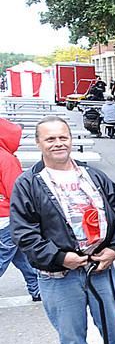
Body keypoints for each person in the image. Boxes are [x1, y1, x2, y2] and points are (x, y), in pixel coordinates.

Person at [10, 116, 115, 344]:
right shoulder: (28, 184)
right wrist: (58, 256)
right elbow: (24, 232)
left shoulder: (93, 176)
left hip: (100, 269)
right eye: (50, 139)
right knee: (72, 337)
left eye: (62, 137)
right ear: (39, 143)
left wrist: (114, 249)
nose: (58, 143)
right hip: (58, 276)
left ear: (70, 139)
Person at [0, 119, 40, 302]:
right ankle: (37, 287)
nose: (20, 141)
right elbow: (16, 192)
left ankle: (37, 288)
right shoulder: (7, 159)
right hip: (7, 216)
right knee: (3, 256)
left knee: (22, 255)